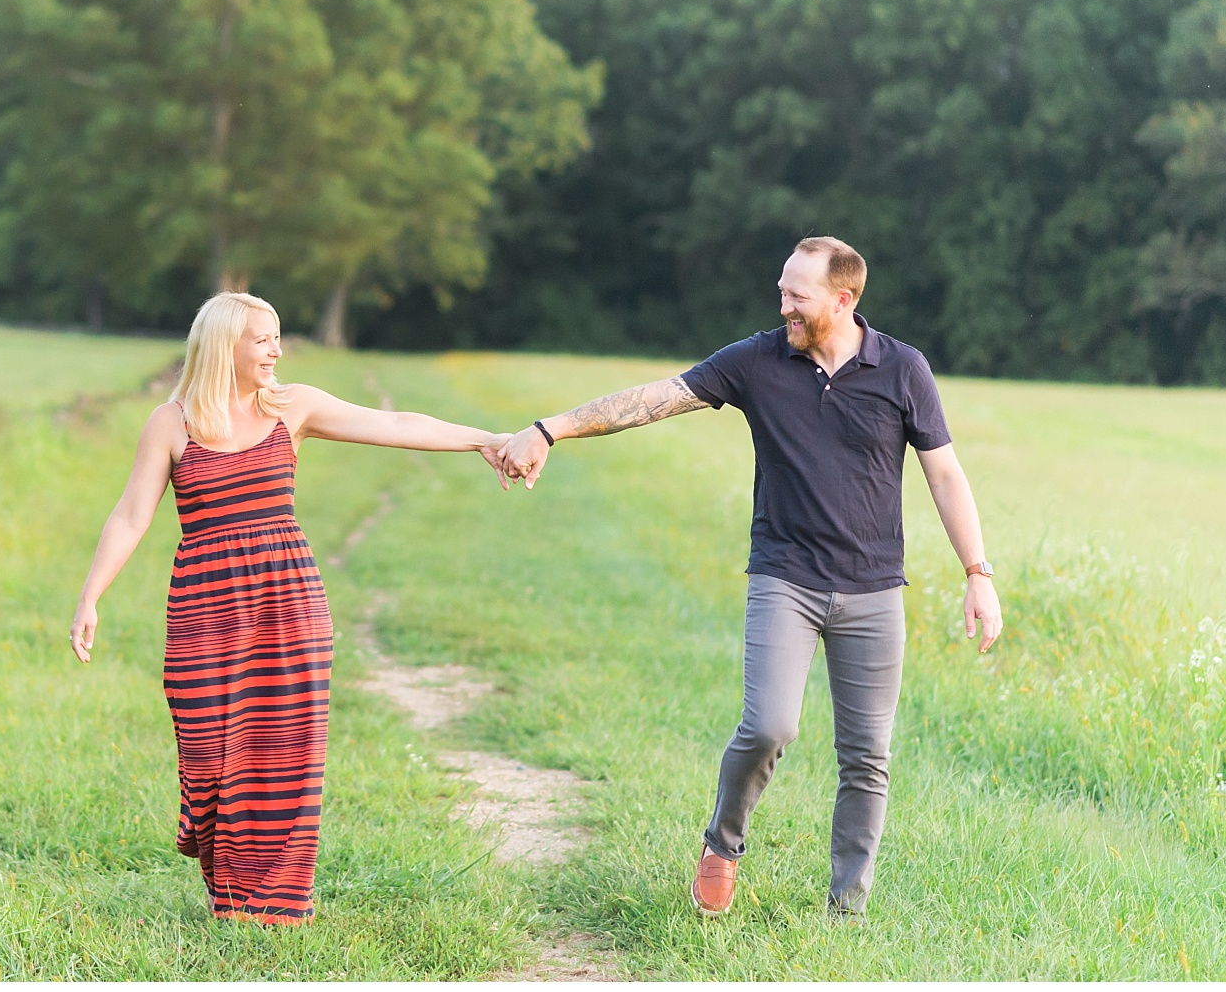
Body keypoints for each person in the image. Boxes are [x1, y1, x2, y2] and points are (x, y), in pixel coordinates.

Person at [495, 236, 1002, 920]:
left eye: (798, 294)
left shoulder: (903, 369)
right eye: (782, 290)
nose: (783, 304)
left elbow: (944, 472)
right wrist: (549, 429)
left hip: (875, 588)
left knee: (867, 757)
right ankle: (722, 843)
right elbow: (655, 399)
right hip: (785, 578)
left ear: (843, 298)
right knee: (768, 725)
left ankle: (846, 911)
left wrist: (978, 571)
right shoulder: (758, 360)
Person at [68, 291, 508, 926]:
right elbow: (132, 515)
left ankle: (270, 907)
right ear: (225, 346)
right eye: (263, 339)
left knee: (283, 749)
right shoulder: (171, 424)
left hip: (288, 604)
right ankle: (231, 888)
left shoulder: (291, 408)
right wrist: (91, 596)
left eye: (278, 336)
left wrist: (484, 440)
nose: (276, 349)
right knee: (210, 752)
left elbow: (394, 425)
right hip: (204, 612)